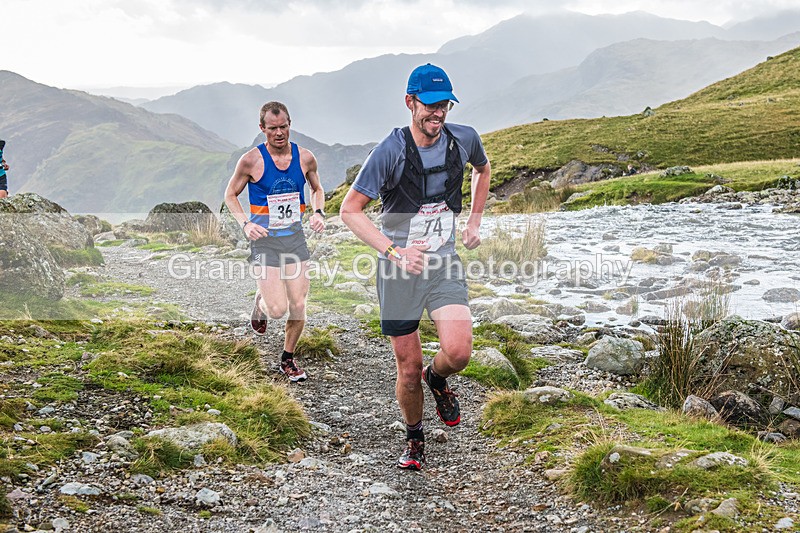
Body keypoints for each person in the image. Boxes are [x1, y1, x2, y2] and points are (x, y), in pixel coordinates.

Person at [340, 64, 491, 470]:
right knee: (407, 368)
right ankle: (414, 437)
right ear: (410, 103)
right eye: (429, 105)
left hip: (443, 263)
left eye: (444, 105)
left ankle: (437, 378)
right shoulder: (389, 151)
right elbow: (350, 211)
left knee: (458, 352)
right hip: (398, 271)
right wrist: (395, 252)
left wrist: (474, 219)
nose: (437, 114)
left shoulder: (464, 139)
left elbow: (483, 168)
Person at [224, 101, 326, 382]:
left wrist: (318, 212)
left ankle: (287, 359)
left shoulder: (305, 158)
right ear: (262, 129)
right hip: (265, 242)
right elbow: (230, 195)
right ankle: (261, 302)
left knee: (299, 303)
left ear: (290, 124)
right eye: (273, 129)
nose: (279, 133)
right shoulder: (251, 161)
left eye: (284, 127)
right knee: (278, 309)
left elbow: (317, 189)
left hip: (294, 239)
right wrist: (246, 224)